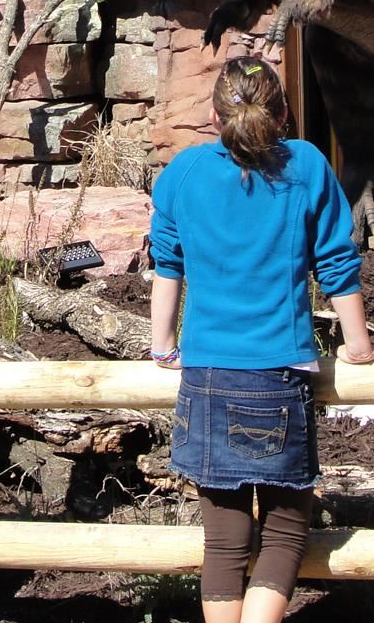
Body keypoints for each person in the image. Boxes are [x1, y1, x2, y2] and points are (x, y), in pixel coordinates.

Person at [149, 56, 373, 623]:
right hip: (276, 376)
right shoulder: (307, 165)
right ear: (284, 113)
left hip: (205, 377)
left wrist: (162, 346)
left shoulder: (183, 171)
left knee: (224, 544)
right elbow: (337, 264)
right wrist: (359, 346)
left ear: (213, 115)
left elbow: (167, 266)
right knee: (285, 534)